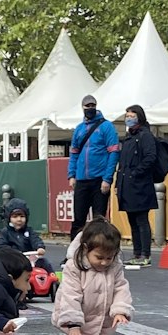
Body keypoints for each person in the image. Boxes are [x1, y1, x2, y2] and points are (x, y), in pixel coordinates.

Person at [53, 218, 134, 335]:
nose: (104, 262)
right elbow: (70, 295)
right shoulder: (74, 267)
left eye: (109, 257)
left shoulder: (114, 267)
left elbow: (121, 287)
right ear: (85, 250)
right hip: (80, 315)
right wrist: (73, 323)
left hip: (103, 316)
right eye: (99, 257)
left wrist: (120, 310)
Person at [117, 105, 163, 269]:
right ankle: (137, 253)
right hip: (127, 185)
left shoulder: (145, 136)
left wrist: (136, 173)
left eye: (132, 115)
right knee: (132, 220)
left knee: (141, 219)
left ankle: (145, 254)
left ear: (139, 117)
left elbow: (150, 157)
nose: (128, 118)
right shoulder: (128, 137)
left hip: (140, 185)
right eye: (127, 115)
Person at [68, 95, 119, 239]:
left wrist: (107, 179)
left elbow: (114, 152)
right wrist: (71, 175)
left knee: (99, 220)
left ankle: (100, 248)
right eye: (87, 106)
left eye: (92, 105)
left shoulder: (106, 126)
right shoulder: (79, 129)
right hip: (82, 179)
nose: (90, 108)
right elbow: (74, 153)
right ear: (82, 108)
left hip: (99, 179)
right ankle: (74, 252)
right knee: (78, 219)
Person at [0, 199, 51, 272]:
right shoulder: (6, 232)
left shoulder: (29, 231)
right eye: (15, 217)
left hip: (29, 259)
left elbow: (36, 240)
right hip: (13, 260)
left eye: (22, 216)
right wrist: (16, 253)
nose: (19, 219)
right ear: (9, 218)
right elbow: (1, 246)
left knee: (44, 262)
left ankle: (53, 280)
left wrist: (40, 247)